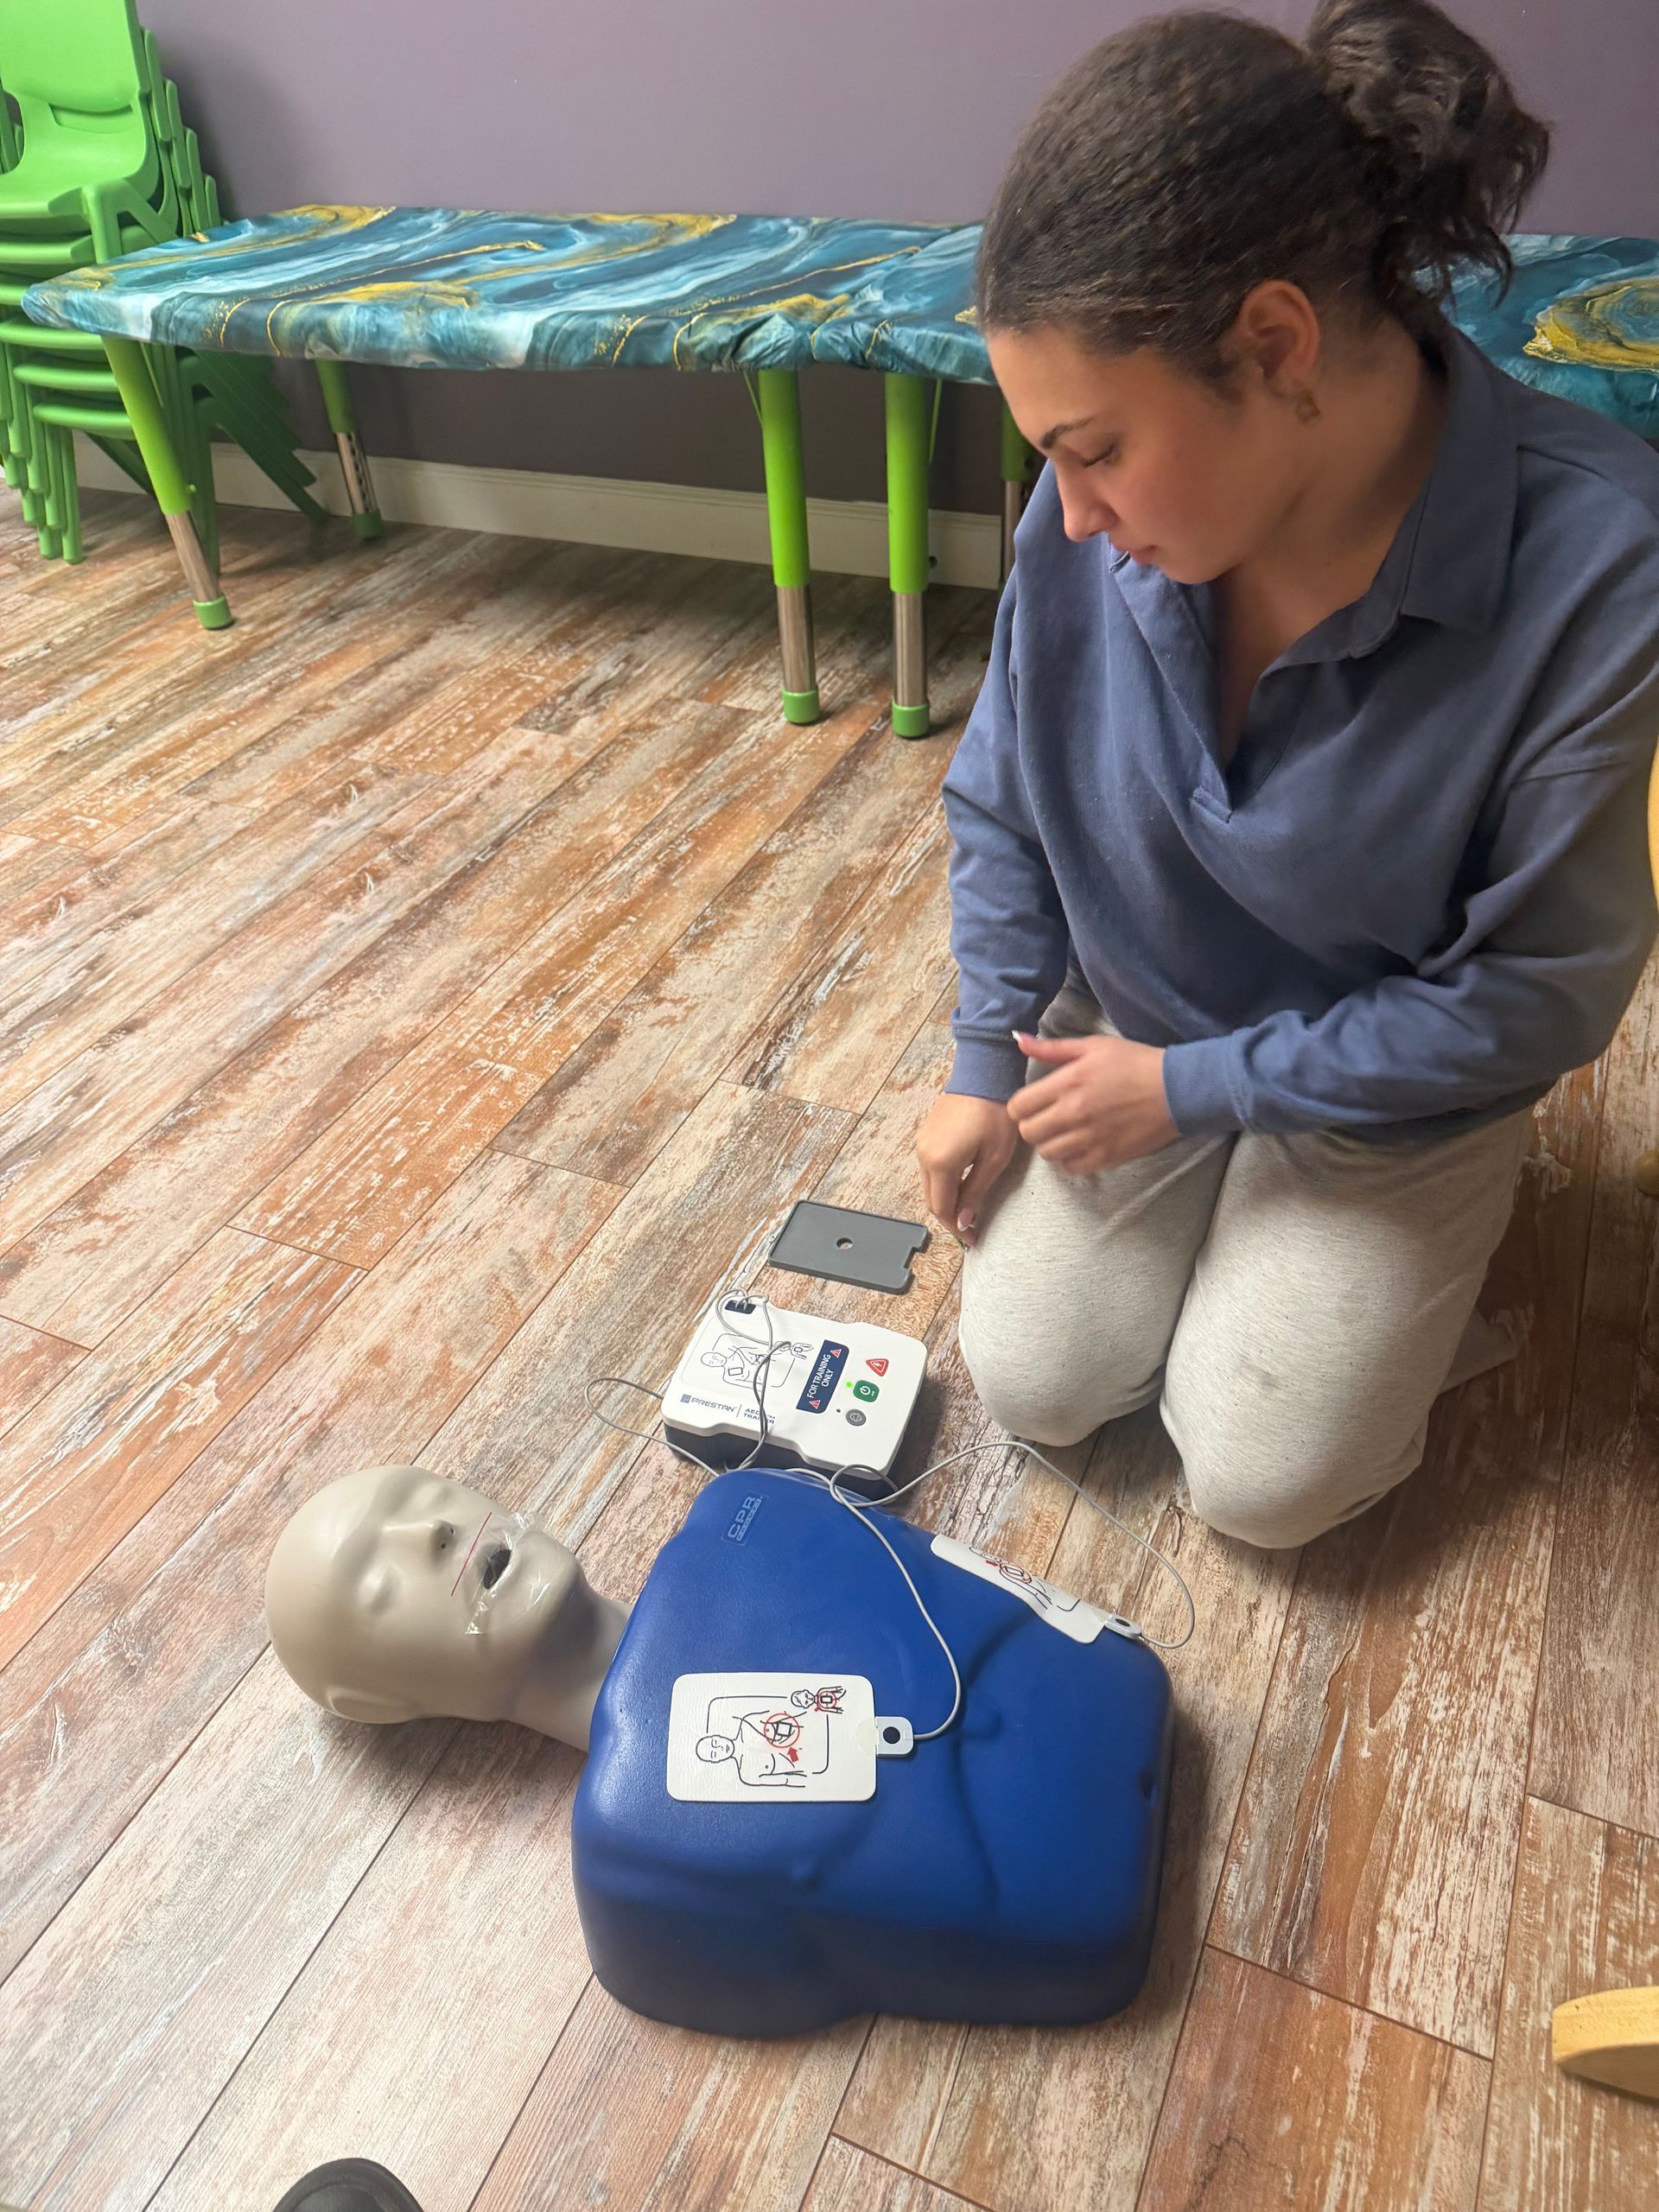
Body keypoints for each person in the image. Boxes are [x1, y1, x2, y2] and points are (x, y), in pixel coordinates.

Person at [917, 0, 1659, 1548]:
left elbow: (1532, 1000)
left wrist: (1200, 1092)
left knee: (1268, 1482)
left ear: (1274, 344)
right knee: (1037, 1380)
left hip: (1394, 1077)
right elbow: (999, 793)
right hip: (1137, 1013)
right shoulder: (1101, 527)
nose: (1067, 516)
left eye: (1096, 449)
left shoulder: (1600, 570)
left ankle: (1420, 1254)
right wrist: (988, 1051)